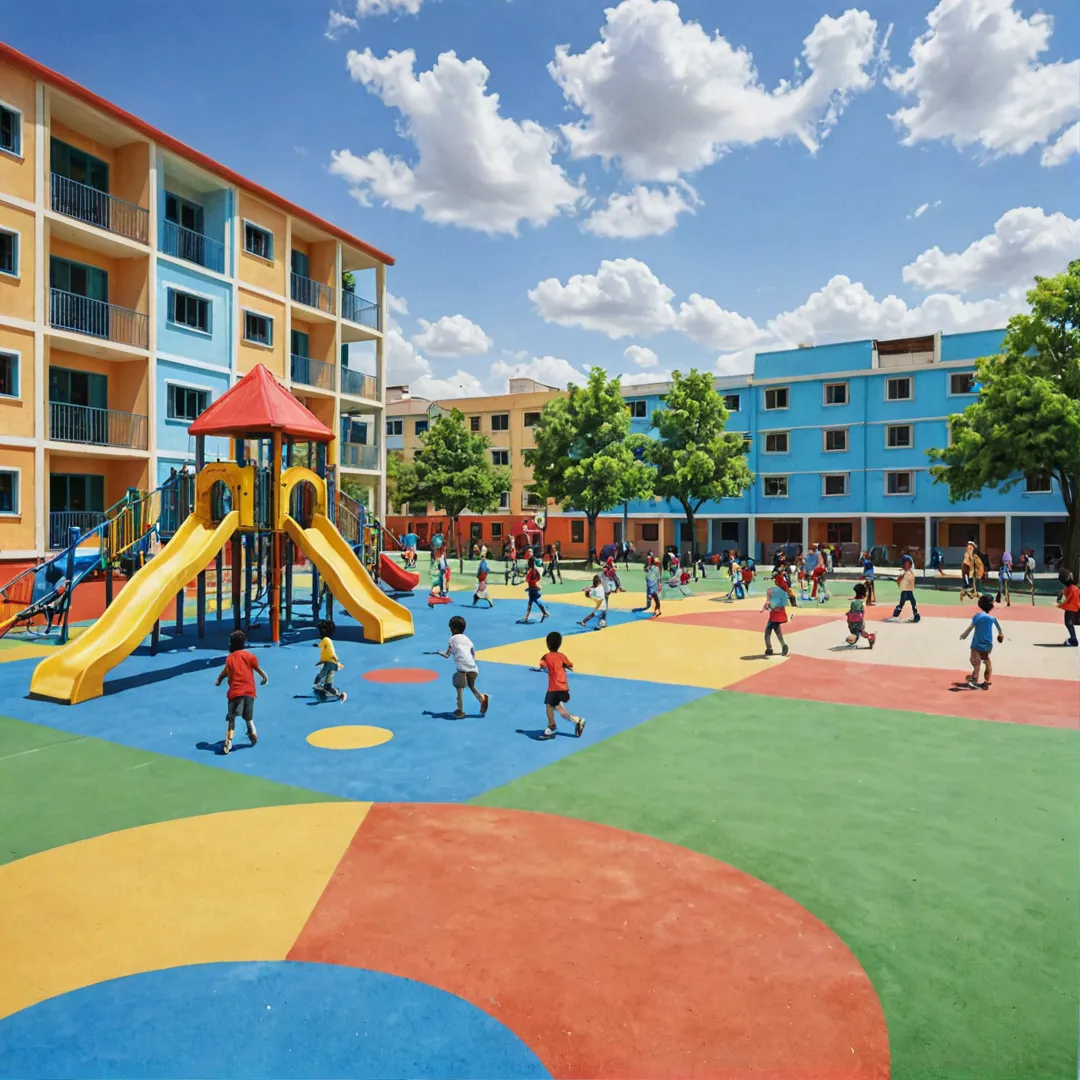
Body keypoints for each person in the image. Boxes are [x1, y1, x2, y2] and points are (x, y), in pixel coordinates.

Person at [214, 629, 268, 754]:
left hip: (235, 692)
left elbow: (226, 672)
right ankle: (253, 733)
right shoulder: (250, 656)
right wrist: (265, 677)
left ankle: (229, 741)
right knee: (248, 717)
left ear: (231, 644)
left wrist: (219, 679)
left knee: (232, 718)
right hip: (249, 691)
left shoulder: (230, 658)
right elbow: (258, 669)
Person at [536, 631, 585, 740]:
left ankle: (552, 727)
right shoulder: (562, 656)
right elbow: (570, 664)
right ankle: (577, 721)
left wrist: (543, 669)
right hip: (564, 687)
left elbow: (542, 665)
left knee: (549, 706)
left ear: (547, 644)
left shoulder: (546, 656)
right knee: (557, 706)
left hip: (554, 687)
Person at [439, 615, 489, 719]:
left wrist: (440, 653)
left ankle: (460, 711)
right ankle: (482, 698)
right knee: (471, 686)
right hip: (473, 668)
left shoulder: (452, 639)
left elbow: (447, 655)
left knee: (459, 689)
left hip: (462, 670)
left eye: (451, 628)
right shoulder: (468, 639)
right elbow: (473, 653)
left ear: (454, 628)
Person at [959, 594, 1004, 689]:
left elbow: (970, 627)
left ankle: (974, 679)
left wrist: (964, 635)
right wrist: (1000, 635)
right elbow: (1000, 630)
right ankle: (987, 680)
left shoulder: (977, 617)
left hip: (977, 644)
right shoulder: (992, 618)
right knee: (987, 661)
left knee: (976, 662)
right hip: (987, 645)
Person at [313, 619, 347, 703]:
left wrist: (316, 645)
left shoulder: (325, 639)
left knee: (325, 672)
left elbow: (324, 646)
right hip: (332, 661)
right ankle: (328, 687)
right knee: (330, 674)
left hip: (330, 661)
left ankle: (320, 684)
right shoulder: (328, 640)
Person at [762, 576, 793, 657]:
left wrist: (765, 607)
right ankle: (782, 646)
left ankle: (770, 648)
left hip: (774, 615)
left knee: (768, 631)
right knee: (776, 630)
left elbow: (771, 603)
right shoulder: (783, 591)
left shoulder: (773, 591)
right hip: (780, 614)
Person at [845, 582, 876, 648]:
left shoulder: (855, 602)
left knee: (855, 632)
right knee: (860, 631)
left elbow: (854, 610)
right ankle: (870, 637)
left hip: (854, 620)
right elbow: (860, 610)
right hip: (858, 620)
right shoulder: (861, 601)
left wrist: (849, 613)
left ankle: (869, 637)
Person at [892, 555, 920, 622]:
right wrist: (901, 578)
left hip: (909, 591)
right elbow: (898, 581)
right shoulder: (902, 572)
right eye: (907, 563)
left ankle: (916, 614)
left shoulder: (911, 572)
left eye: (909, 564)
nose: (909, 565)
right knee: (902, 603)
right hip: (904, 591)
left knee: (913, 602)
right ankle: (896, 614)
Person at [523, 557, 550, 623]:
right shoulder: (536, 570)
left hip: (533, 588)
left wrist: (530, 587)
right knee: (535, 601)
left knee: (531, 602)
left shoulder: (531, 571)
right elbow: (536, 579)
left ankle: (527, 617)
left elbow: (528, 580)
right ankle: (544, 612)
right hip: (534, 588)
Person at [1057, 572, 1079, 646]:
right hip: (1071, 608)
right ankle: (1073, 639)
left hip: (1071, 609)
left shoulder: (1072, 589)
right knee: (1069, 624)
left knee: (1069, 624)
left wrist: (1061, 602)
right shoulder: (1070, 588)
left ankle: (1073, 639)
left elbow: (1067, 599)